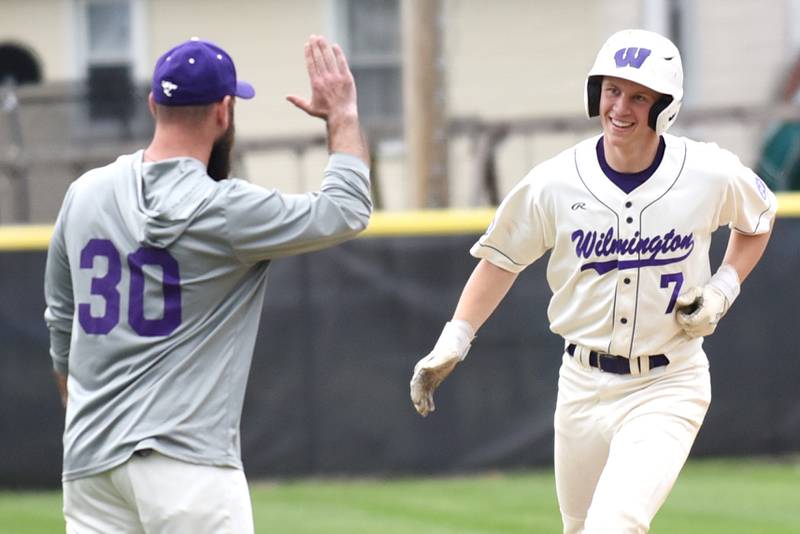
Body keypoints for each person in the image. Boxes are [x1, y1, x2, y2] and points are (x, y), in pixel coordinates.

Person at [410, 29, 776, 533]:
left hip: (667, 383)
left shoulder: (707, 172)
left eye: (638, 96)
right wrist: (454, 338)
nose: (620, 107)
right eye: (612, 90)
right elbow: (500, 259)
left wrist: (723, 288)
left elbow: (758, 218)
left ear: (664, 106)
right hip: (580, 384)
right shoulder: (555, 181)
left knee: (614, 525)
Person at [44, 35, 371, 533]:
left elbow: (61, 325)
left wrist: (87, 415)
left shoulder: (83, 193)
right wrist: (342, 115)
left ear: (154, 104)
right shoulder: (227, 210)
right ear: (224, 110)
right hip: (185, 463)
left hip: (91, 465)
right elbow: (346, 209)